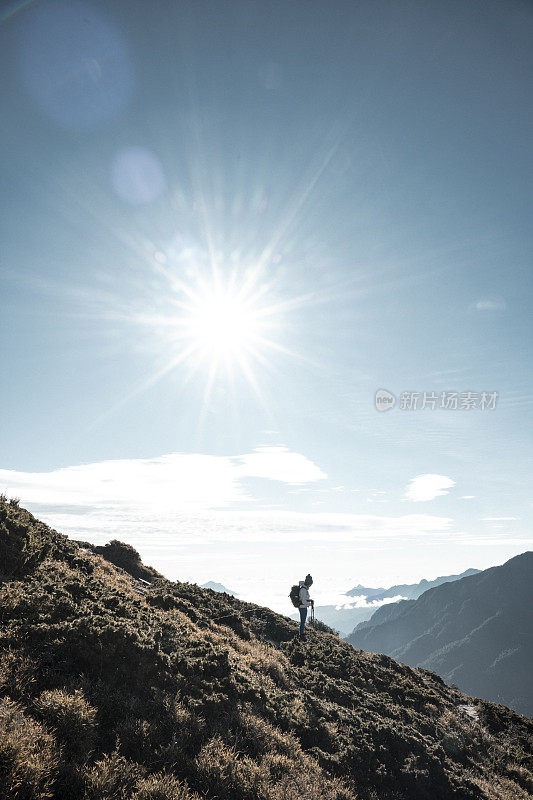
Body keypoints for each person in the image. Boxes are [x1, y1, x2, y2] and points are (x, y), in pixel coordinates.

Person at [298, 574, 314, 640]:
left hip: (303, 606)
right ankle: (301, 634)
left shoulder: (304, 588)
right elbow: (304, 601)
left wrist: (310, 601)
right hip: (302, 607)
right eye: (310, 584)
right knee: (303, 621)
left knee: (303, 620)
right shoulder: (303, 590)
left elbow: (304, 599)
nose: (310, 586)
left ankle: (302, 632)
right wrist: (310, 604)